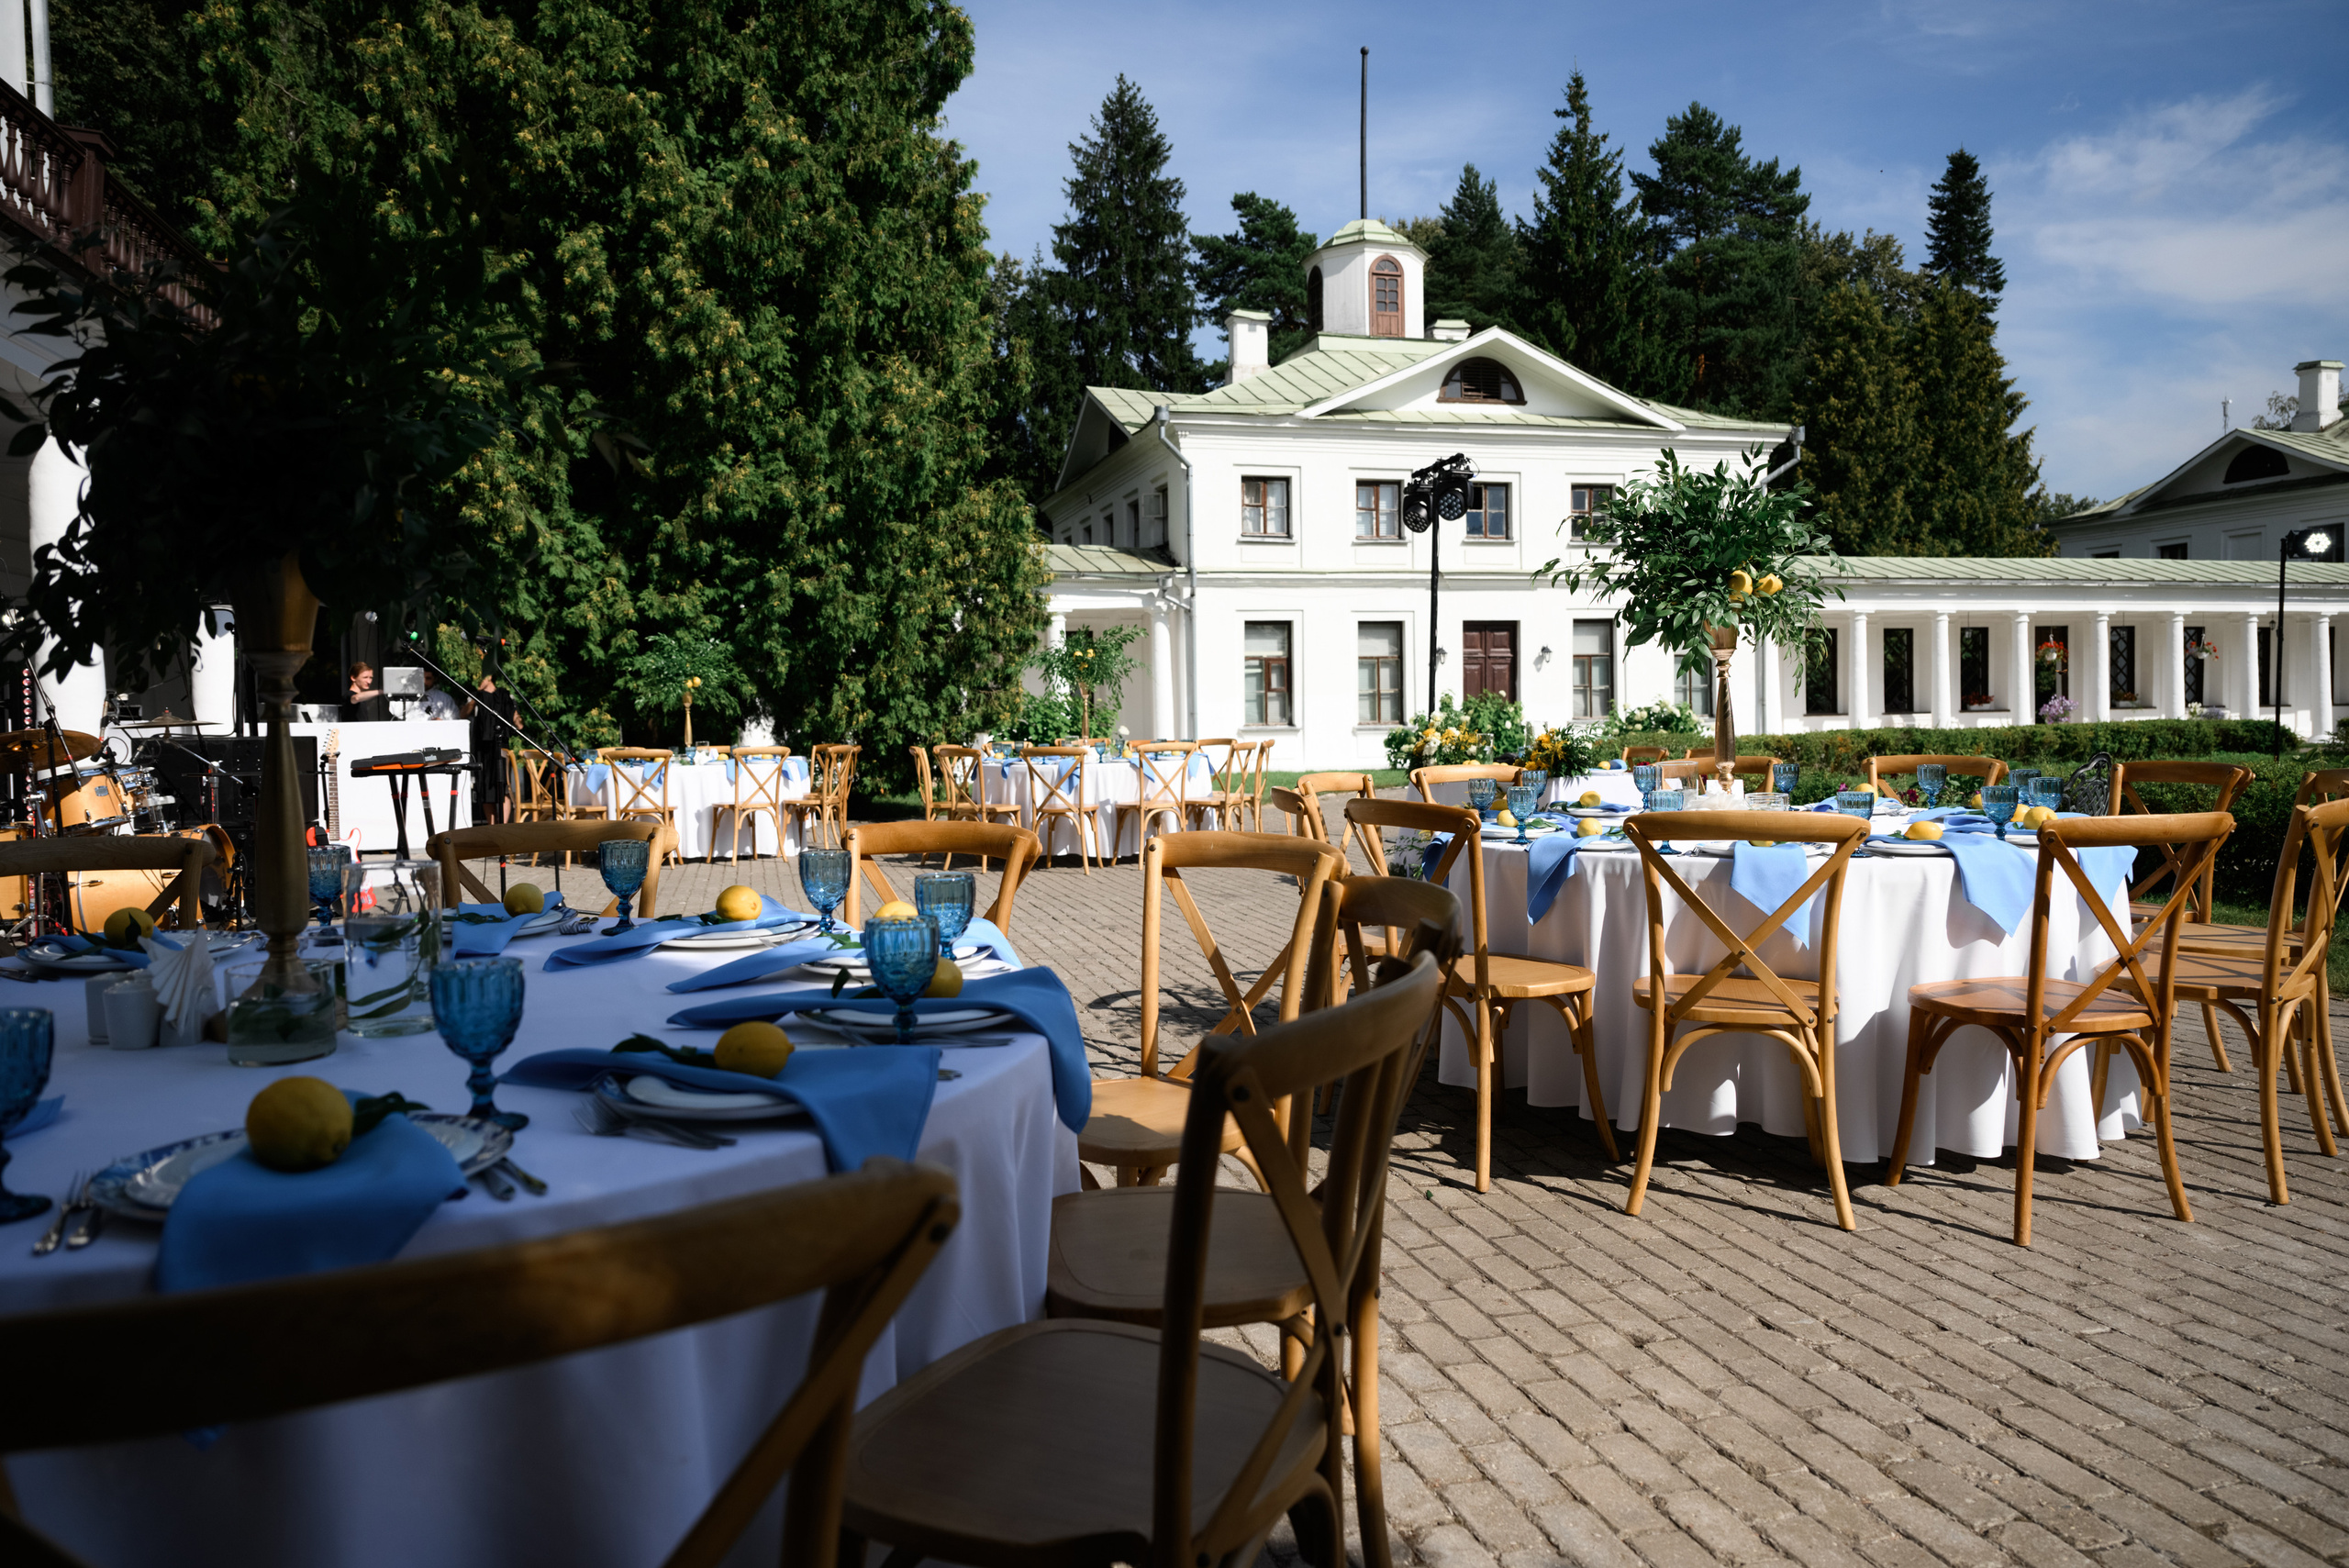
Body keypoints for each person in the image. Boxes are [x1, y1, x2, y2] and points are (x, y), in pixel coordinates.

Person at [465, 672, 521, 825]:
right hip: (482, 748)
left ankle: (502, 827)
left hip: (501, 746)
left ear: (489, 677)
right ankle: (492, 827)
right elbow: (463, 714)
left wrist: (518, 719)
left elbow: (518, 722)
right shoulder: (476, 696)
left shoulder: (505, 695)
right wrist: (476, 696)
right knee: (484, 789)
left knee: (502, 786)